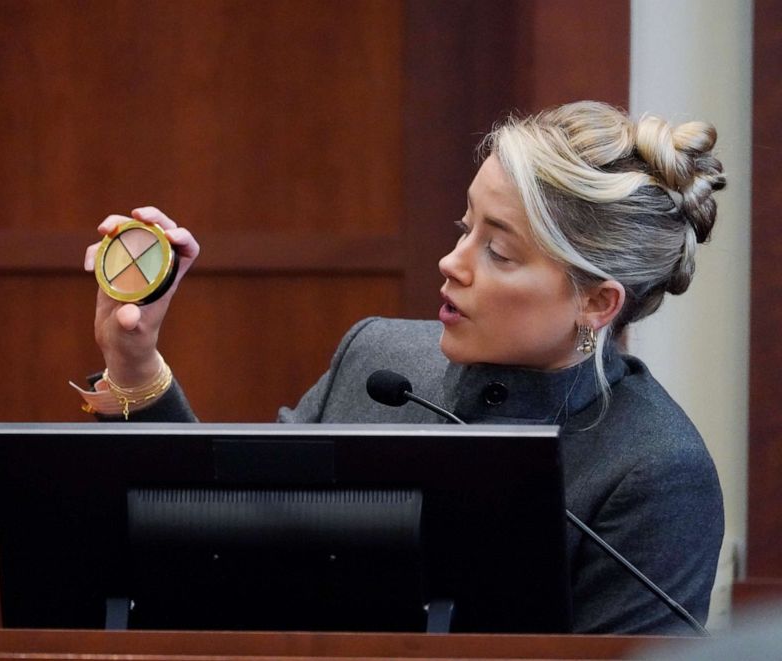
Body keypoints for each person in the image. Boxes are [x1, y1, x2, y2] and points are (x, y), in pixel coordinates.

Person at [75, 101, 726, 634]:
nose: (453, 261)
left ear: (595, 302)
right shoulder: (377, 359)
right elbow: (217, 546)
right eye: (464, 226)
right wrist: (134, 365)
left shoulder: (656, 471)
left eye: (497, 250)